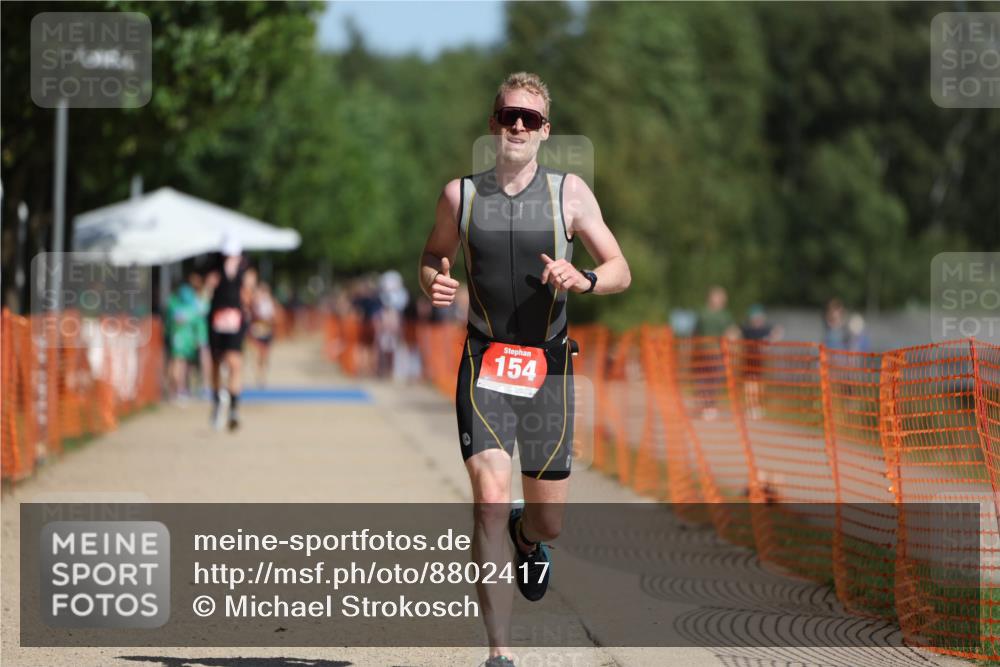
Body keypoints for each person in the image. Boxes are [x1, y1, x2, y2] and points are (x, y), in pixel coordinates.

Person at [418, 72, 631, 667]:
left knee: (550, 520)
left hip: (550, 371)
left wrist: (583, 277)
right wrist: (433, 278)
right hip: (484, 362)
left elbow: (620, 268)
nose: (518, 126)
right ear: (493, 123)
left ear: (545, 131)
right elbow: (433, 253)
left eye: (530, 119)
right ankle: (499, 654)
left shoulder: (570, 195)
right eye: (509, 115)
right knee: (488, 497)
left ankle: (527, 537)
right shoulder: (459, 196)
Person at [206, 233, 256, 431]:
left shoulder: (246, 272)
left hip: (235, 321)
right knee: (217, 362)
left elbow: (248, 296)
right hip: (216, 320)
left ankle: (234, 407)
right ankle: (217, 401)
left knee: (235, 363)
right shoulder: (214, 270)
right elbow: (205, 290)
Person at [165, 278, 208, 401]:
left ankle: (177, 389)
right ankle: (177, 389)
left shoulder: (173, 303)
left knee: (179, 364)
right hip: (184, 339)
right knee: (179, 364)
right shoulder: (190, 306)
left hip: (178, 338)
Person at [739, 304, 784, 420]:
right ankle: (750, 406)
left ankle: (756, 406)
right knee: (749, 385)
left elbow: (778, 332)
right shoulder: (747, 330)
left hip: (761, 363)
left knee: (759, 386)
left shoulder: (765, 329)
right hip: (748, 362)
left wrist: (769, 342)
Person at [249, 282, 277, 387]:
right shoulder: (255, 303)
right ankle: (259, 376)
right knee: (257, 354)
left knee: (265, 355)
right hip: (257, 332)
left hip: (267, 331)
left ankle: (263, 374)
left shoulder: (270, 303)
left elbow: (274, 317)